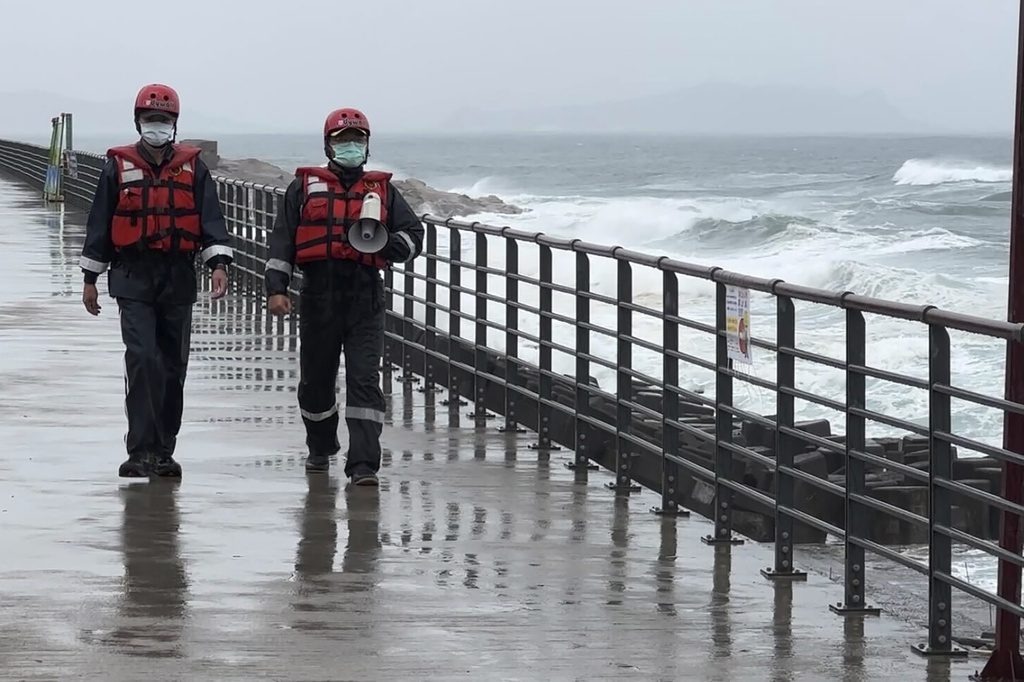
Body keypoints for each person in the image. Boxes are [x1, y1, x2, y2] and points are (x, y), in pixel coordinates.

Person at [79, 83, 233, 479]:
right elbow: (99, 223)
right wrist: (90, 279)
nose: (157, 126)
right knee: (143, 358)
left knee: (171, 366)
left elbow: (212, 221)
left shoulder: (194, 169)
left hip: (178, 276)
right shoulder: (117, 167)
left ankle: (164, 451)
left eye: (163, 120)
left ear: (174, 125)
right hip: (132, 276)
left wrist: (218, 265)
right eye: (151, 119)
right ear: (138, 122)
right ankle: (139, 450)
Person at [264, 107, 424, 485]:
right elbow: (282, 240)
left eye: (358, 140)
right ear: (328, 145)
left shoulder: (383, 191)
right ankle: (320, 446)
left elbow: (413, 233)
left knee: (364, 381)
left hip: (364, 299)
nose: (351, 146)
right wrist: (277, 289)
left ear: (367, 146)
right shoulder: (303, 189)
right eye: (343, 140)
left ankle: (364, 466)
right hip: (319, 296)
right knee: (316, 383)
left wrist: (391, 246)